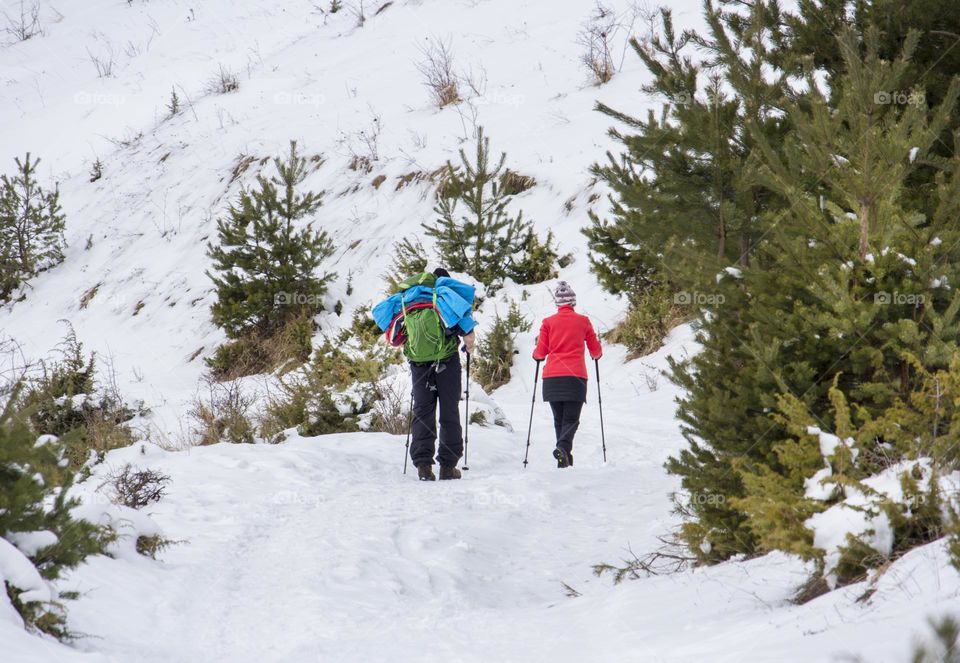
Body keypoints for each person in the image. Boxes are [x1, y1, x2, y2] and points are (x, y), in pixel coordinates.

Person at [372, 267, 476, 481]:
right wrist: (469, 346)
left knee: (422, 411)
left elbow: (396, 337)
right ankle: (448, 466)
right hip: (447, 361)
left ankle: (423, 466)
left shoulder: (409, 300)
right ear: (444, 282)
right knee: (449, 410)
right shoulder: (444, 297)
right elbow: (468, 333)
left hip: (419, 365)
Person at [532, 281, 602, 468]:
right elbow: (595, 350)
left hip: (552, 378)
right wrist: (597, 354)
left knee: (559, 419)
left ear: (557, 303)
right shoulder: (583, 321)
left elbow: (540, 352)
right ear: (573, 303)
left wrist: (536, 355)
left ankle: (564, 457)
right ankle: (563, 448)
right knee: (571, 419)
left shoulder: (548, 323)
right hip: (575, 377)